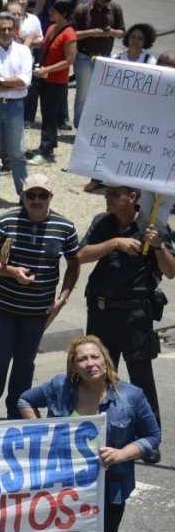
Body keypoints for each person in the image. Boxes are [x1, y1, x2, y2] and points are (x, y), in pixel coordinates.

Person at [18, 335, 161, 532]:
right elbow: (25, 400)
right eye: (81, 359)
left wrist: (122, 454)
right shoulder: (59, 387)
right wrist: (42, 432)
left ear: (106, 362)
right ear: (73, 367)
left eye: (95, 357)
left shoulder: (131, 396)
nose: (89, 363)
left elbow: (153, 436)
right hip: (63, 490)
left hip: (107, 492)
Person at [75, 183, 173, 463]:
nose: (107, 198)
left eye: (113, 194)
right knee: (97, 378)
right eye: (106, 193)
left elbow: (171, 270)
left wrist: (157, 247)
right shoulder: (102, 223)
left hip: (134, 317)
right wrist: (114, 243)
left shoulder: (152, 225)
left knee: (142, 381)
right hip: (101, 312)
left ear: (132, 197)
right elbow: (79, 256)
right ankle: (93, 437)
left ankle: (149, 441)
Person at [0, 174, 81, 421]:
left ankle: (17, 412)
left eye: (42, 195)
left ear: (50, 197)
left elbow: (74, 265)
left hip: (38, 312)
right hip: (4, 308)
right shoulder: (5, 221)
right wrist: (10, 271)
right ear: (22, 196)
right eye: (31, 195)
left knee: (25, 364)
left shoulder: (65, 227)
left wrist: (62, 300)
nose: (36, 200)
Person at [0, 11, 33, 207]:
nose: (7, 32)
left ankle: (24, 195)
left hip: (15, 108)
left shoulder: (23, 52)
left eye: (10, 28)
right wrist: (13, 84)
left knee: (17, 153)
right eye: (3, 29)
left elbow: (26, 82)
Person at [29, 0, 77, 167]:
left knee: (49, 117)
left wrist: (47, 70)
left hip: (57, 81)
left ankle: (44, 151)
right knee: (46, 113)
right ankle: (50, 145)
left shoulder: (69, 34)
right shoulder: (50, 28)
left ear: (64, 13)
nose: (50, 12)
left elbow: (69, 60)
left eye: (54, 11)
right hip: (44, 77)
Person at [71, 0, 124, 129]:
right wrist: (91, 33)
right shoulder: (82, 9)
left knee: (101, 94)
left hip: (105, 57)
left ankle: (95, 127)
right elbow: (71, 34)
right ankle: (80, 128)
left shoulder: (115, 9)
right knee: (83, 94)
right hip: (84, 57)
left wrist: (111, 32)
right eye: (101, 1)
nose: (104, 4)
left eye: (107, 2)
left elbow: (121, 32)